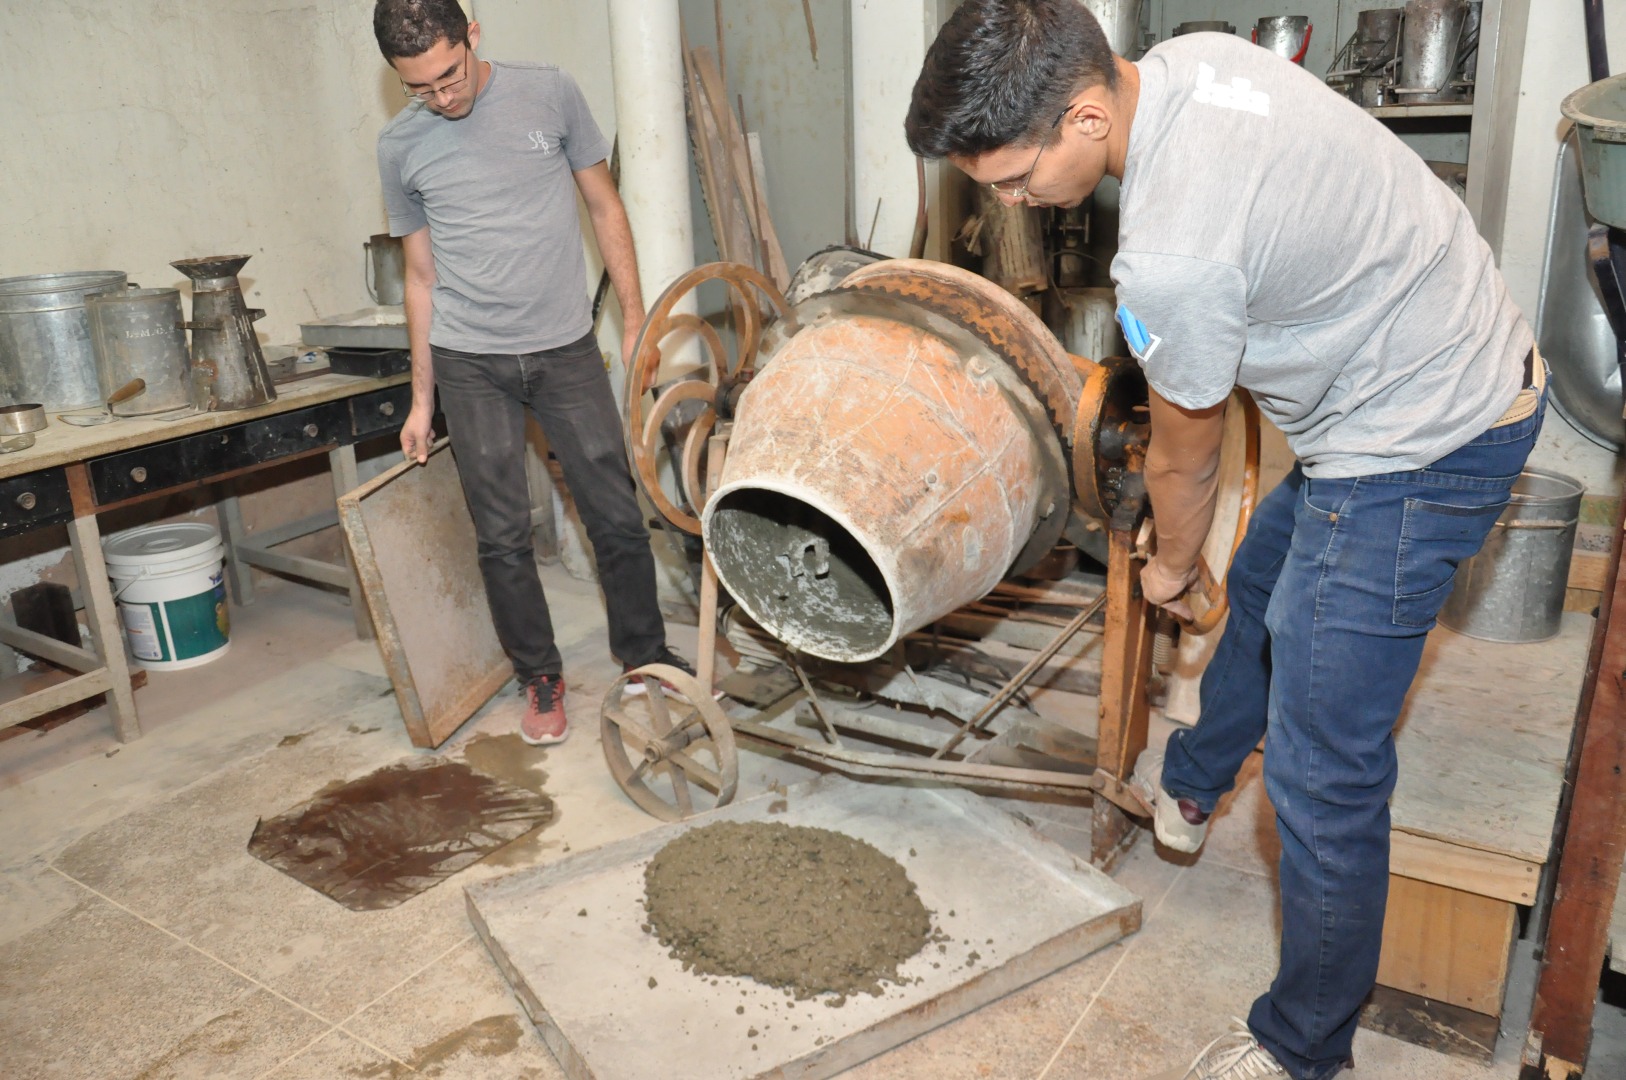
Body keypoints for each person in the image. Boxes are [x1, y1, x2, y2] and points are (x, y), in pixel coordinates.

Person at [906, 3, 1545, 1078]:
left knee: (1324, 774)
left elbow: (1185, 462)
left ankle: (1304, 1051)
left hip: (1426, 436)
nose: (1014, 201)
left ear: (1086, 114)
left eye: (1015, 177)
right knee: (1264, 587)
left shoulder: (1172, 258)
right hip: (1410, 366)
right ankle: (1196, 781)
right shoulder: (1188, 66)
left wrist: (1164, 564)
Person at [372, 0, 697, 747]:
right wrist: (422, 400)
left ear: (473, 37)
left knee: (614, 510)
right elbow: (420, 277)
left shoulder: (549, 92)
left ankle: (643, 656)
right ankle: (539, 676)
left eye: (449, 76)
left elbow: (604, 205)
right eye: (419, 87)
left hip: (564, 348)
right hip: (468, 360)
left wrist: (637, 317)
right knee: (502, 533)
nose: (442, 97)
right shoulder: (400, 148)